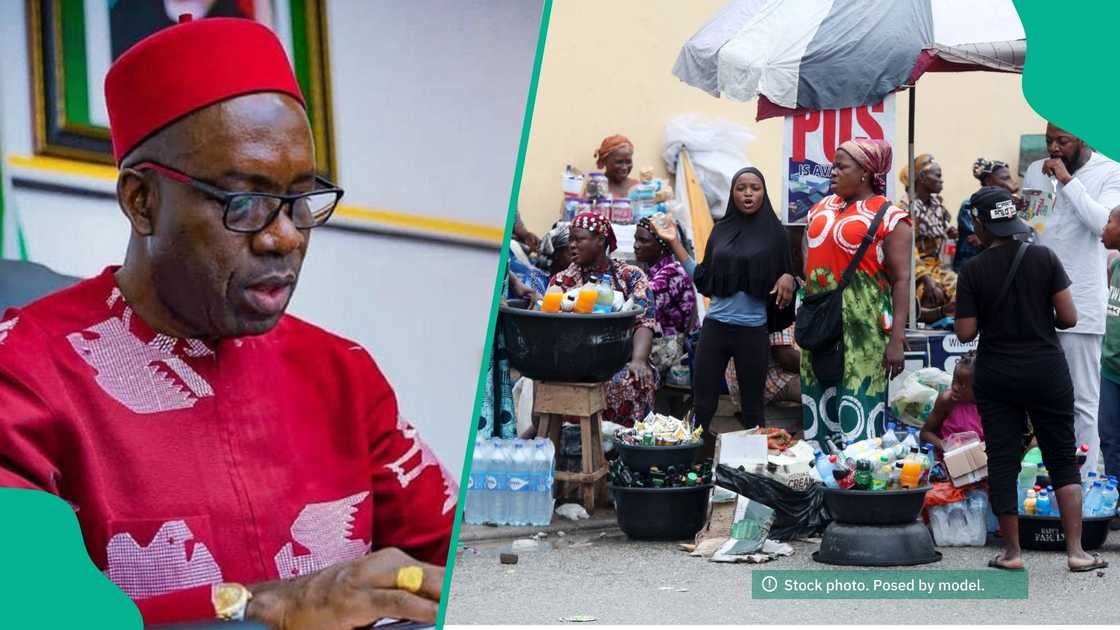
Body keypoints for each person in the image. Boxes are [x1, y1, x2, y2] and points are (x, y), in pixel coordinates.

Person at [0, 18, 454, 626]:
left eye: (300, 200)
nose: (285, 236)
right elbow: (37, 608)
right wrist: (264, 605)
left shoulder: (342, 374)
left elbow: (450, 559)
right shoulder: (23, 372)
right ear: (142, 201)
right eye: (246, 201)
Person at [955, 186, 1105, 572]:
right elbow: (1069, 318)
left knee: (1003, 459)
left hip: (998, 374)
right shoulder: (1044, 257)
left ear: (981, 224)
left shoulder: (973, 270)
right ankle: (1076, 551)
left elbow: (966, 332)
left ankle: (1013, 553)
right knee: (1061, 457)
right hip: (1047, 370)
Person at [652, 168, 795, 438]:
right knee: (702, 405)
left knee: (753, 409)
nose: (748, 193)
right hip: (715, 329)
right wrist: (675, 243)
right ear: (733, 193)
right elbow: (703, 279)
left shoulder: (776, 235)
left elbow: (788, 274)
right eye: (741, 188)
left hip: (753, 333)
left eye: (755, 187)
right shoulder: (721, 231)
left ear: (763, 192)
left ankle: (753, 472)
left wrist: (789, 277)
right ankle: (692, 468)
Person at [1023, 122, 1120, 475]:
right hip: (1036, 304)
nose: (1054, 148)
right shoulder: (1036, 170)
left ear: (1083, 138)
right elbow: (1032, 231)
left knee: (1083, 401)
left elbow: (1104, 226)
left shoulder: (1110, 171)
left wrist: (1067, 181)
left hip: (1083, 304)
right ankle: (1052, 475)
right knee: (1040, 397)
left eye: (1062, 141)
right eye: (1049, 141)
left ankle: (1086, 481)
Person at [802, 139, 912, 446]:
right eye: (833, 165)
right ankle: (823, 480)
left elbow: (902, 280)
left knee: (858, 402)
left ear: (864, 171)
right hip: (821, 322)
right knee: (819, 399)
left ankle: (858, 485)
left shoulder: (891, 217)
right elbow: (807, 250)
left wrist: (896, 340)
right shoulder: (820, 208)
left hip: (864, 330)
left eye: (841, 166)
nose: (832, 172)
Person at [550, 212, 658, 426]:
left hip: (620, 358)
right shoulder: (562, 280)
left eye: (579, 239)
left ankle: (623, 451)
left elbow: (644, 321)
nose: (572, 245)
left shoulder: (629, 276)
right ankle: (574, 447)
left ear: (600, 240)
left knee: (633, 379)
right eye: (570, 239)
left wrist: (638, 360)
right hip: (573, 361)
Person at [633, 216, 696, 375]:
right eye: (635, 239)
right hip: (659, 343)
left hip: (671, 348)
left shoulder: (671, 273)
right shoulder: (653, 271)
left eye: (643, 240)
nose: (636, 246)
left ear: (661, 246)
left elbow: (640, 308)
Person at [955, 158, 1019, 271]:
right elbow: (989, 237)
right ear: (989, 180)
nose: (1012, 182)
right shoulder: (969, 205)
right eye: (1005, 178)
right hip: (970, 268)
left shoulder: (1010, 203)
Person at [1098, 207, 1120, 517]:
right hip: (1111, 369)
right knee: (1110, 439)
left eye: (1110, 222)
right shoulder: (1115, 264)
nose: (1104, 227)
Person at [919, 353, 982, 457]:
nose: (955, 387)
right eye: (954, 381)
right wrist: (946, 446)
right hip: (950, 460)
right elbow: (925, 433)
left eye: (962, 384)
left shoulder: (991, 405)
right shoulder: (947, 401)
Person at [726, 325, 801, 410]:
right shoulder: (779, 314)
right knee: (814, 388)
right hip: (762, 381)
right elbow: (784, 356)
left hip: (746, 379)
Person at [900, 153, 956, 260]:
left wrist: (948, 234)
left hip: (939, 268)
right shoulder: (905, 208)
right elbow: (906, 250)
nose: (941, 180)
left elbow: (941, 236)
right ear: (922, 177)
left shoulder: (938, 205)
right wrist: (925, 276)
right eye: (938, 175)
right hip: (915, 272)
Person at [594, 134, 640, 199]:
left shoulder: (637, 187)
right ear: (605, 161)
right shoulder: (596, 187)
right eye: (619, 162)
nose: (624, 167)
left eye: (628, 162)